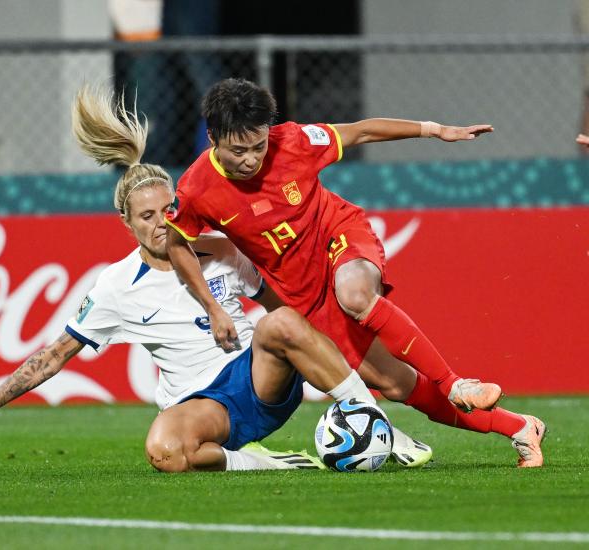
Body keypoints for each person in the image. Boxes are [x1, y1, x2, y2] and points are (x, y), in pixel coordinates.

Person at [0, 85, 432, 471]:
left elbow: (292, 311)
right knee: (164, 452)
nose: (160, 223)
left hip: (258, 381)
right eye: (146, 217)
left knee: (283, 322)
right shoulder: (115, 287)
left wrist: (347, 345)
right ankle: (267, 464)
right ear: (125, 223)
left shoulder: (224, 252)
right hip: (204, 405)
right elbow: (52, 357)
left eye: (169, 210)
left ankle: (375, 422)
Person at [165, 78, 546, 467]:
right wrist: (212, 307)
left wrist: (434, 130)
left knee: (356, 294)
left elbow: (361, 131)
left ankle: (455, 383)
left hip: (338, 235)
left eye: (259, 146)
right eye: (237, 151)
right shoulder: (196, 189)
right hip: (303, 295)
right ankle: (518, 427)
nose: (251, 160)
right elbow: (177, 243)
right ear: (212, 137)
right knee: (397, 385)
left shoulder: (294, 141)